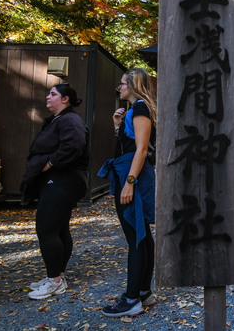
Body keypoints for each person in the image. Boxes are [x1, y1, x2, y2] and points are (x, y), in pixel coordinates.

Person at [20, 83, 89, 301]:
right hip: (60, 180)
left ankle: (54, 282)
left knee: (46, 228)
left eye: (53, 94)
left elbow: (74, 144)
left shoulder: (70, 120)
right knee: (59, 229)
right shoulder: (59, 120)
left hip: (64, 179)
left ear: (65, 99)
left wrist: (50, 163)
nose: (47, 97)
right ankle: (57, 275)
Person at [98, 68, 157, 317]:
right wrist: (117, 127)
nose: (118, 87)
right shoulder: (134, 111)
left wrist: (129, 182)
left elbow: (142, 149)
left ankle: (132, 298)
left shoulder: (141, 108)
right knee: (140, 234)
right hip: (128, 171)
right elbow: (130, 145)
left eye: (122, 83)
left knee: (135, 235)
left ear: (133, 85)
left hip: (133, 175)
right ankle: (143, 291)